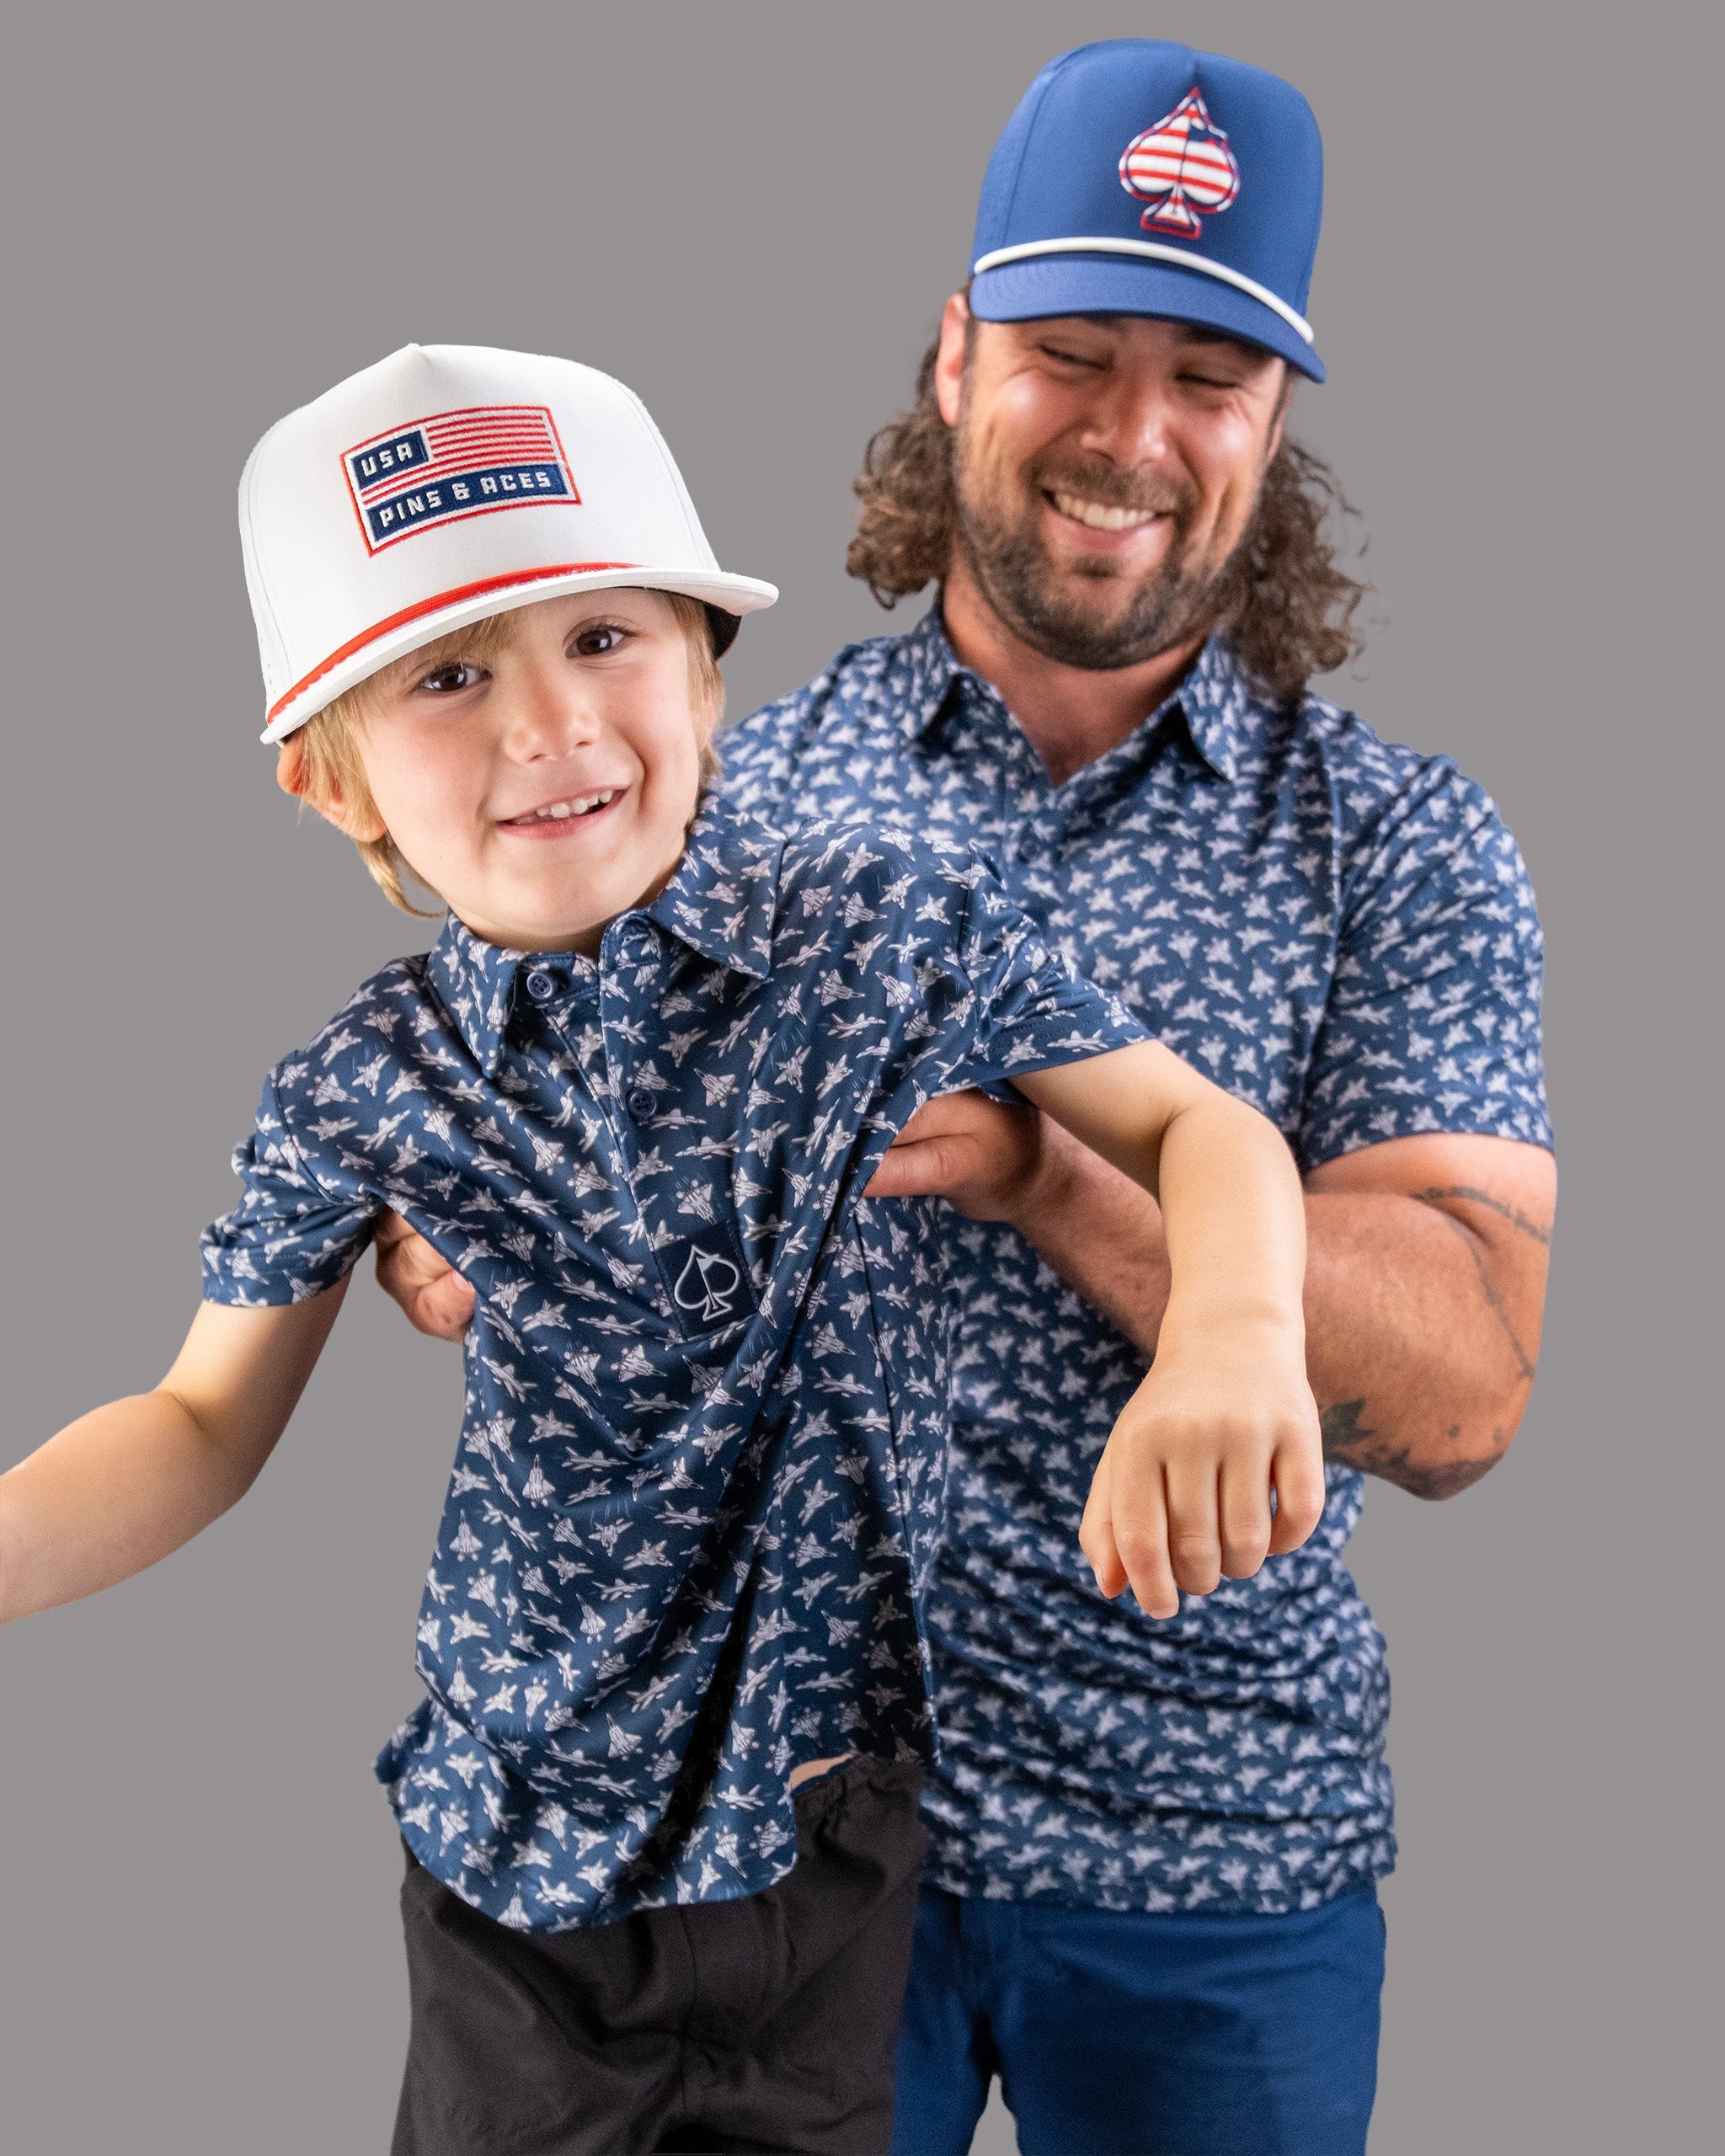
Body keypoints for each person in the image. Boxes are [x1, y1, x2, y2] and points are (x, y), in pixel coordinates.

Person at [368, 39, 1557, 2156]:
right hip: (771, 1861)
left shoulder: (1404, 843)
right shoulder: (721, 789)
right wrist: (443, 1226)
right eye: (1070, 350)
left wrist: (1043, 1173)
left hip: (1218, 1860)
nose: (1130, 431)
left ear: (1275, 422)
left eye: (1207, 372)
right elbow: (492, 1144)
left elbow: (1461, 1390)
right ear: (952, 357)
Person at [0, 339, 1325, 2156]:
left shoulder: (886, 938)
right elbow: (200, 1419)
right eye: (450, 675)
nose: (548, 725)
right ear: (333, 777)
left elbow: (1201, 1127)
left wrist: (1233, 1337)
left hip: (828, 1848)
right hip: (519, 1892)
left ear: (704, 675)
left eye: (606, 639)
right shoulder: (359, 1092)